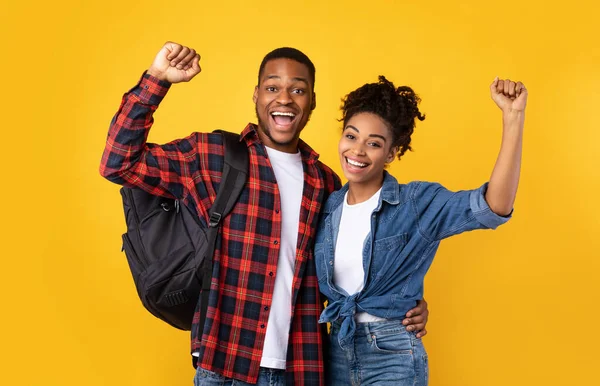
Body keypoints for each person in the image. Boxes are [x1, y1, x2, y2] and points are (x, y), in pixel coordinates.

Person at [99, 42, 430, 385]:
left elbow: (359, 264)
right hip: (225, 365)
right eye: (273, 87)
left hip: (301, 367)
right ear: (256, 95)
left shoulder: (327, 183)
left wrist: (406, 306)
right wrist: (157, 79)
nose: (284, 98)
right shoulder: (212, 155)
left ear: (312, 102)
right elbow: (118, 162)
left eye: (297, 90)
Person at [315, 75, 526, 385]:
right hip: (334, 352)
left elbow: (493, 206)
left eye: (374, 143)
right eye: (351, 136)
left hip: (392, 355)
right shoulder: (326, 206)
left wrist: (513, 118)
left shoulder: (415, 203)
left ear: (391, 154)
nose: (357, 150)